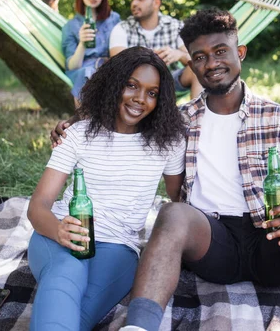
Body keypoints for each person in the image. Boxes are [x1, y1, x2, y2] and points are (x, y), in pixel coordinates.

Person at [53, 9, 280, 331]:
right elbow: (123, 119)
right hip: (213, 242)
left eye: (220, 52)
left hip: (275, 242)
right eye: (199, 57)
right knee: (173, 213)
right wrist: (74, 124)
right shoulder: (177, 120)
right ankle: (138, 327)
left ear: (240, 53)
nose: (211, 64)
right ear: (191, 65)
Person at [27, 47, 186, 331]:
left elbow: (180, 200)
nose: (140, 99)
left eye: (152, 92)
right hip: (58, 236)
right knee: (67, 271)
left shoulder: (168, 142)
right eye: (132, 86)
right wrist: (59, 231)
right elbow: (37, 206)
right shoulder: (77, 134)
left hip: (119, 249)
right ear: (115, 84)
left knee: (78, 317)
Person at [109, 0, 203, 99]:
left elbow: (197, 59)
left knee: (198, 69)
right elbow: (117, 64)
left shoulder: (176, 26)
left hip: (170, 81)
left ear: (156, 3)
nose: (134, 3)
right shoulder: (122, 28)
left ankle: (198, 116)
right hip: (135, 83)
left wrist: (179, 54)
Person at [62, 0, 121, 107]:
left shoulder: (114, 19)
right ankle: (83, 122)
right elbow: (72, 66)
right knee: (87, 73)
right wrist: (82, 43)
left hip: (109, 66)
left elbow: (121, 49)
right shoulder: (70, 26)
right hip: (82, 70)